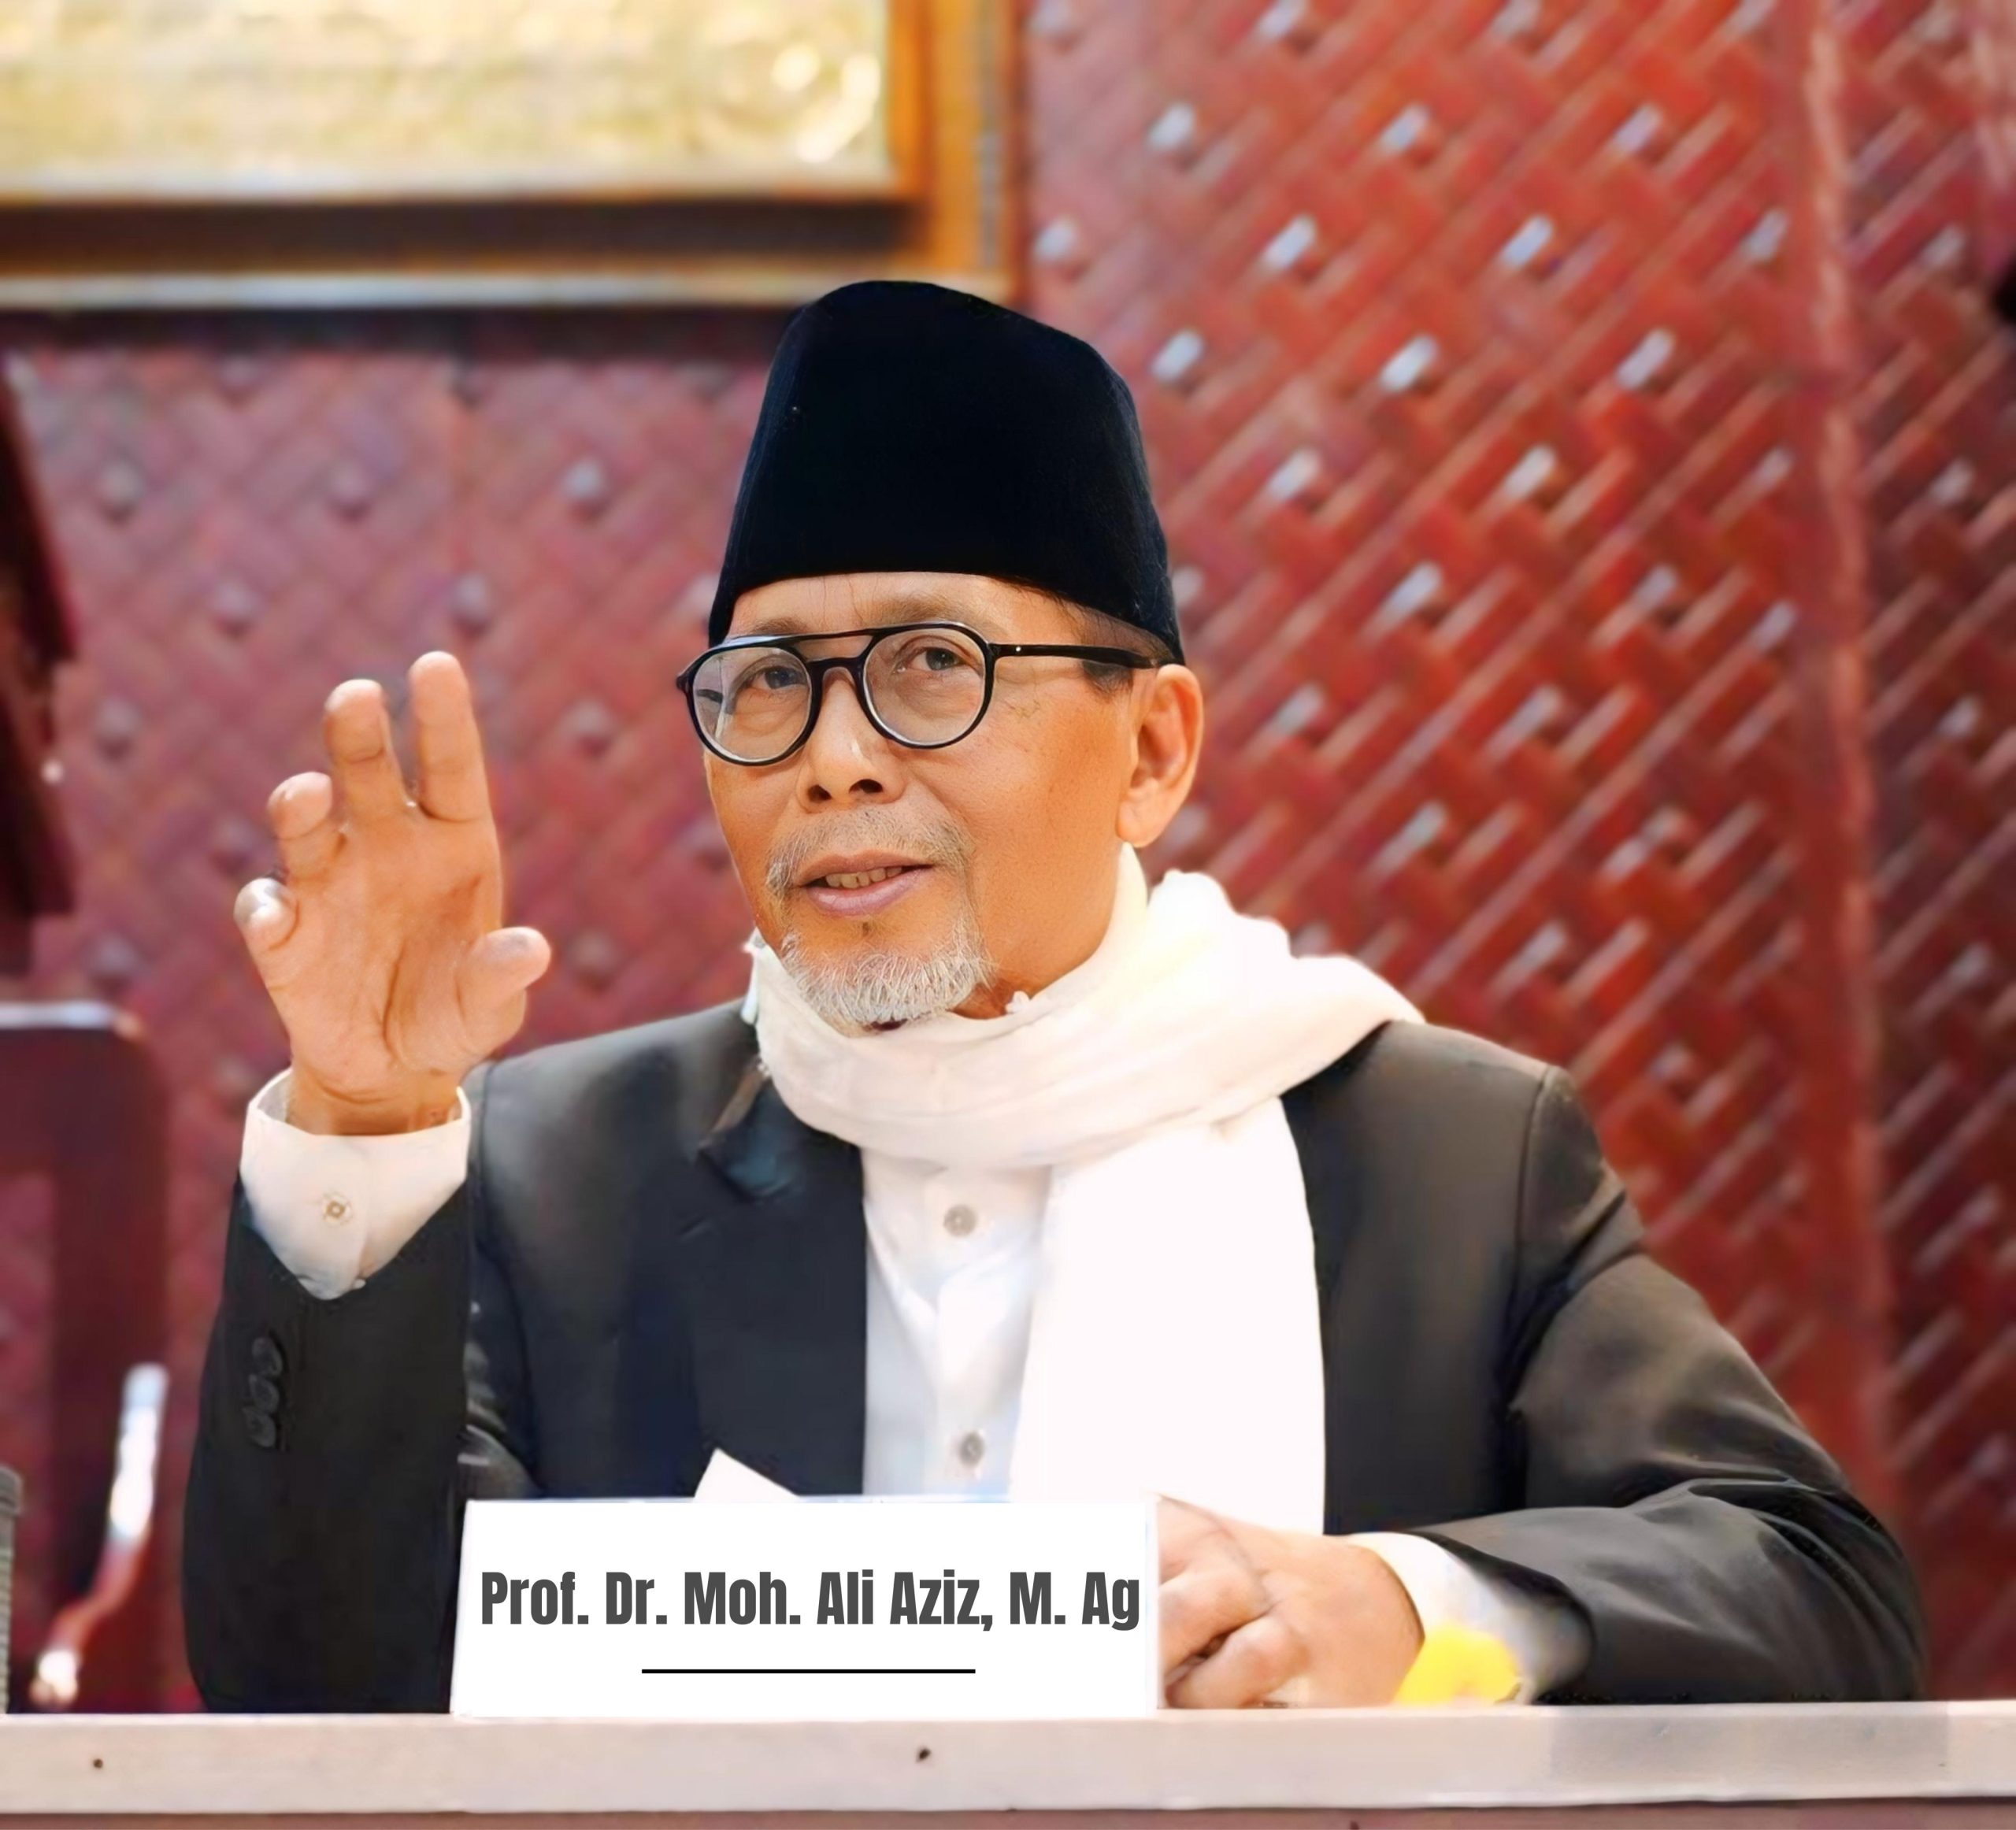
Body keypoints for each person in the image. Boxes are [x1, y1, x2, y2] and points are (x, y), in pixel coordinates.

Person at [184, 280, 1925, 1713]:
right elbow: (317, 1679)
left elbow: (1815, 1586)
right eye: (770, 683)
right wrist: (361, 1127)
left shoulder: (1439, 1159)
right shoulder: (555, 1167)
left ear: (1151, 748)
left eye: (930, 666)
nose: (836, 760)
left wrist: (1404, 1603)